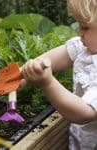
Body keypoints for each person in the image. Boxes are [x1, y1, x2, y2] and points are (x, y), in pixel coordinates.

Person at [20, 0, 97, 149]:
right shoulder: (85, 47)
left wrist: (47, 83)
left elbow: (85, 113)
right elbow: (52, 59)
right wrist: (22, 73)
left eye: (85, 27)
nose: (78, 31)